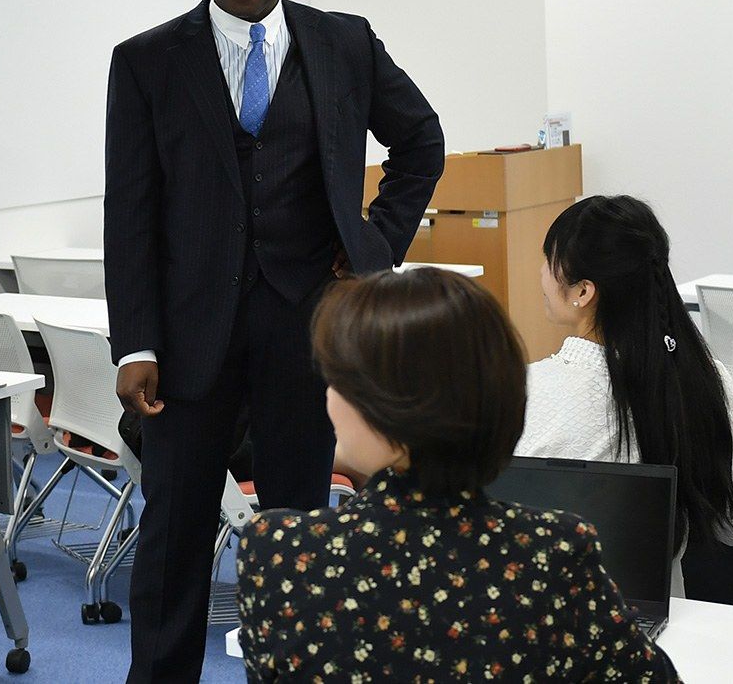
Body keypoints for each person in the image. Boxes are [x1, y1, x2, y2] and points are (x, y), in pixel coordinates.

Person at [104, 0, 445, 680]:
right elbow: (131, 213)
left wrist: (373, 244)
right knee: (174, 534)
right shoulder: (147, 60)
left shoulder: (344, 44)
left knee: (298, 531)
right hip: (189, 339)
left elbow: (421, 138)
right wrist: (137, 342)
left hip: (307, 328)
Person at [236, 268, 680, 681]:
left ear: (378, 408)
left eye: (338, 380)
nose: (329, 398)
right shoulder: (555, 553)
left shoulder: (279, 553)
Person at [516, 195, 733, 588]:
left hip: (546, 612)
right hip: (659, 618)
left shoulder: (526, 388)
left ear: (583, 291)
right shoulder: (704, 376)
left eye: (548, 260)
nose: (541, 273)